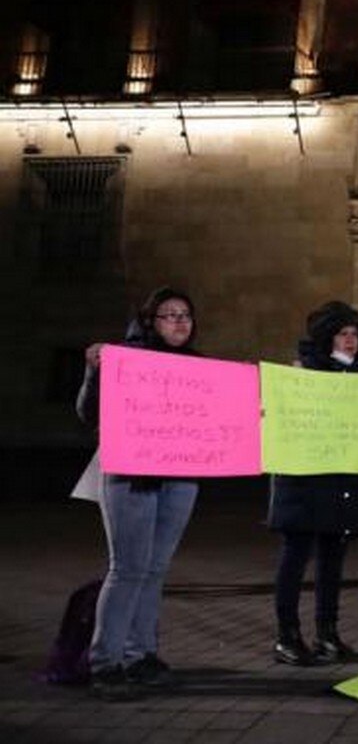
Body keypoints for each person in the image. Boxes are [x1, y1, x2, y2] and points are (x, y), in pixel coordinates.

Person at [76, 286, 202, 701]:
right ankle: (105, 661)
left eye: (185, 314)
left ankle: (140, 654)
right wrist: (95, 370)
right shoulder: (125, 360)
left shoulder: (200, 369)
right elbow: (88, 412)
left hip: (179, 477)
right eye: (169, 315)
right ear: (151, 321)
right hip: (131, 475)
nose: (179, 321)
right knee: (128, 568)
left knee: (155, 569)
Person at [269, 301, 358, 666]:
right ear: (327, 337)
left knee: (333, 560)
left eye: (355, 334)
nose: (351, 340)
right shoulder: (304, 375)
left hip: (341, 482)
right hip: (303, 484)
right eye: (343, 333)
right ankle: (287, 635)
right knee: (295, 558)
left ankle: (327, 632)